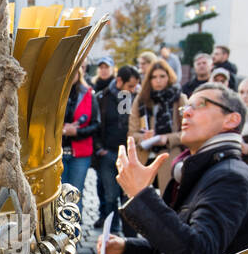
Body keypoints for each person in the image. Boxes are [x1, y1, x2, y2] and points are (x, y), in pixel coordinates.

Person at [99, 82, 248, 254]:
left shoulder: (231, 178)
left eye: (200, 105)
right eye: (185, 107)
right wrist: (127, 248)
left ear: (231, 119)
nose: (186, 113)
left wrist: (141, 195)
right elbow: (176, 244)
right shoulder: (203, 169)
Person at [92, 64, 141, 229]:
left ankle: (129, 234)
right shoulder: (103, 97)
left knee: (127, 196)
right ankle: (112, 231)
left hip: (126, 155)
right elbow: (96, 125)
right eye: (130, 86)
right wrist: (99, 149)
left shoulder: (128, 97)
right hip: (108, 153)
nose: (133, 89)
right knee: (110, 196)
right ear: (119, 80)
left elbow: (127, 125)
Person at [129, 58, 186, 193]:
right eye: (154, 77)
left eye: (162, 76)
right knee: (140, 201)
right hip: (144, 156)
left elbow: (188, 131)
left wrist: (167, 138)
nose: (158, 80)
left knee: (168, 199)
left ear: (169, 77)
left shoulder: (179, 98)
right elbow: (132, 132)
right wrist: (144, 137)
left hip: (169, 155)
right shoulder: (141, 99)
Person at [62, 66, 100, 194]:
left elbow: (96, 125)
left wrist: (76, 132)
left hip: (80, 153)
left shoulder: (88, 95)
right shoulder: (55, 95)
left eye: (73, 73)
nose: (71, 76)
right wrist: (63, 130)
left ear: (78, 73)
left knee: (75, 195)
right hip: (58, 152)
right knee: (59, 197)